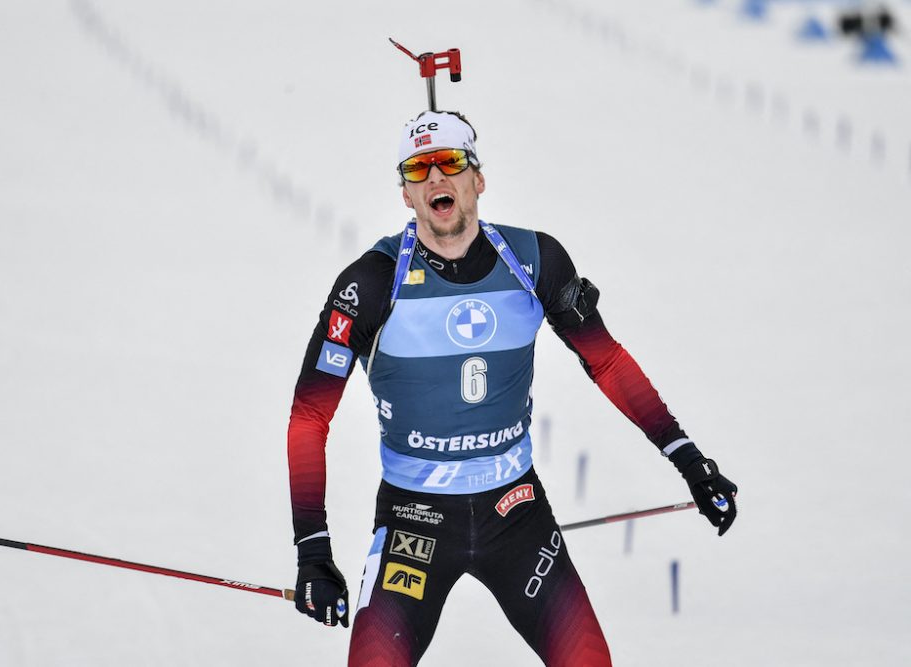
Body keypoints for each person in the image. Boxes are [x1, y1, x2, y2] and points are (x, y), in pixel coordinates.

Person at [286, 110, 737, 666]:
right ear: (405, 194)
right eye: (418, 170)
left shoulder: (533, 261)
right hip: (413, 522)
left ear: (478, 178)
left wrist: (687, 458)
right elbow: (309, 417)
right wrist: (312, 547)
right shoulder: (372, 283)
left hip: (515, 513)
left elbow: (609, 362)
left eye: (450, 163)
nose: (436, 180)